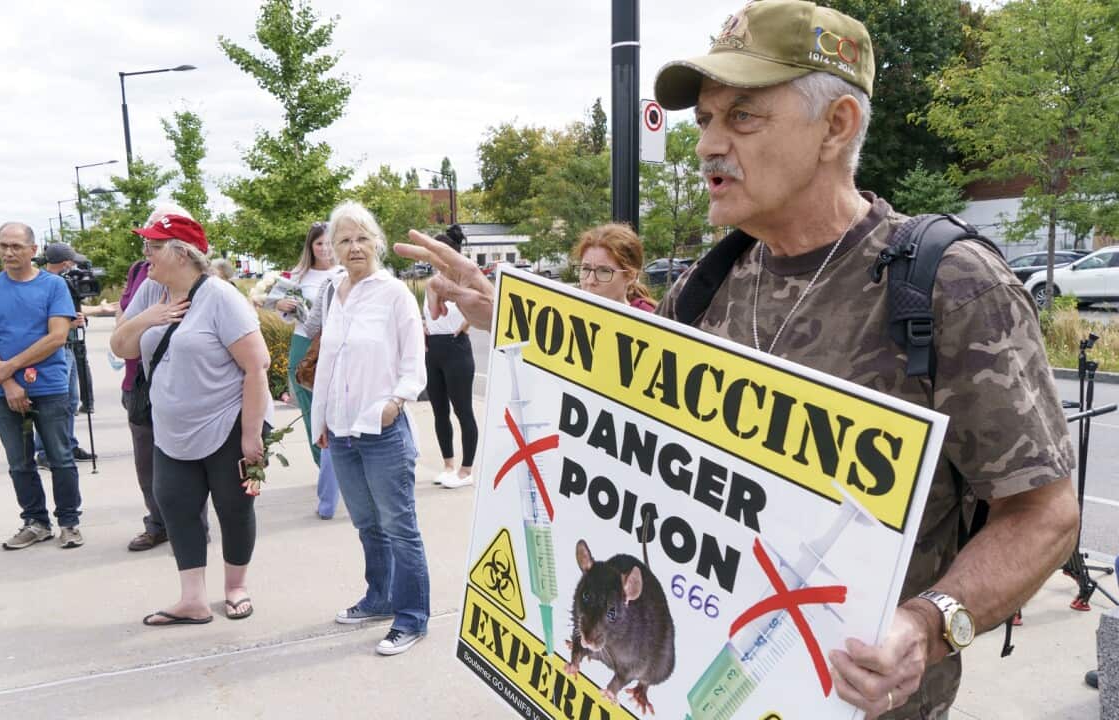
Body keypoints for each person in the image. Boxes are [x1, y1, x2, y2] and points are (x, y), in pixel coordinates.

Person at [396, 3, 1081, 716]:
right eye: (704, 121)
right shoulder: (710, 280)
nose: (707, 147)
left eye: (743, 118)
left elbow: (1045, 515)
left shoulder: (950, 285)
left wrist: (930, 623)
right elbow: (620, 408)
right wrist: (509, 313)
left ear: (837, 126)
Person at [111, 213, 273, 626]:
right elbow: (121, 347)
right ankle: (193, 600)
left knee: (233, 507)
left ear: (180, 253)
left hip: (227, 424)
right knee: (176, 505)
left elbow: (257, 367)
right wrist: (150, 317)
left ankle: (236, 587)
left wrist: (252, 435)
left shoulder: (221, 297)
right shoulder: (152, 290)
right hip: (171, 429)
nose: (145, 255)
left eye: (153, 247)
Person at [311, 201, 430, 656]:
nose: (354, 247)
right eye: (344, 240)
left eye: (362, 238)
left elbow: (413, 359)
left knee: (400, 526)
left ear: (376, 242)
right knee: (367, 524)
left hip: (381, 430)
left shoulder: (394, 292)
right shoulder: (334, 290)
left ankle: (413, 616)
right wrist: (321, 419)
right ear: (332, 249)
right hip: (341, 432)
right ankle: (380, 598)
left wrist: (395, 402)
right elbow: (328, 361)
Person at [0, 222, 84, 550]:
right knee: (19, 462)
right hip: (3, 392)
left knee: (60, 457)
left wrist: (12, 365)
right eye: (3, 245)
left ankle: (69, 522)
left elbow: (57, 337)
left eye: (16, 246)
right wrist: (7, 382)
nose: (8, 252)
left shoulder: (54, 287)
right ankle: (35, 522)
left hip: (49, 387)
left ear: (33, 250)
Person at [117, 203, 207, 552]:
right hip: (139, 382)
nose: (148, 246)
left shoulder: (206, 282)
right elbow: (122, 327)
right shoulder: (140, 273)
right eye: (148, 236)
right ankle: (157, 523)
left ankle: (192, 529)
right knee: (147, 463)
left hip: (184, 389)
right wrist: (144, 319)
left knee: (188, 465)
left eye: (157, 238)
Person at [263, 221, 343, 518]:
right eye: (318, 243)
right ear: (310, 247)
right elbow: (274, 305)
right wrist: (282, 304)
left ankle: (341, 471)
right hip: (304, 345)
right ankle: (325, 471)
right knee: (311, 412)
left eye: (329, 242)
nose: (325, 249)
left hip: (337, 347)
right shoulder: (297, 275)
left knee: (337, 409)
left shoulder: (347, 272)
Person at [31, 242, 97, 467]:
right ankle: (44, 451)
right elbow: (43, 320)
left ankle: (68, 444)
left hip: (70, 346)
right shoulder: (43, 284)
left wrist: (78, 318)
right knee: (52, 403)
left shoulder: (65, 282)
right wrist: (70, 323)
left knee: (70, 401)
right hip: (56, 348)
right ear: (66, 262)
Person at [423, 229, 478, 489]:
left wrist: (466, 324)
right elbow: (431, 315)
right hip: (433, 349)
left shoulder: (467, 280)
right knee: (439, 411)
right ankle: (448, 465)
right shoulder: (431, 283)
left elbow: (486, 305)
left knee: (463, 410)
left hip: (457, 348)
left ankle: (467, 470)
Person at [570, 223, 656, 311]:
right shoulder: (568, 312)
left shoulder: (647, 320)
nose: (590, 281)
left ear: (630, 276)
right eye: (586, 269)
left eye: (603, 271)